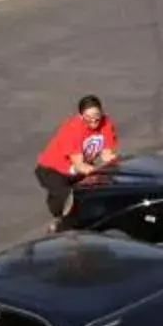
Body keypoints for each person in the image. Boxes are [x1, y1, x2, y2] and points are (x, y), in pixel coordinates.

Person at [35, 95, 119, 229]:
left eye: (97, 115)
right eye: (88, 117)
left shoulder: (106, 124)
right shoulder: (73, 129)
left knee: (96, 189)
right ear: (81, 116)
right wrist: (98, 172)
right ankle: (61, 226)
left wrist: (116, 168)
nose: (94, 120)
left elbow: (107, 154)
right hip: (51, 170)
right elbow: (79, 165)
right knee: (68, 197)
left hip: (74, 171)